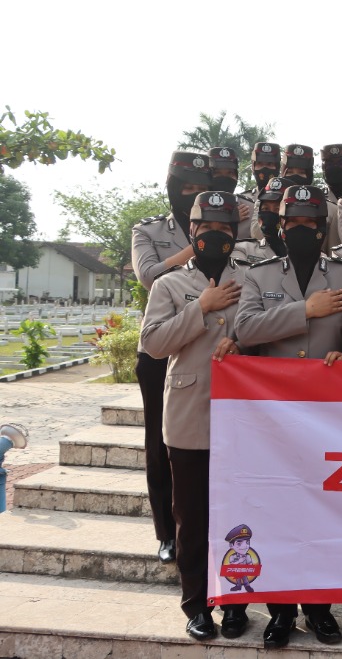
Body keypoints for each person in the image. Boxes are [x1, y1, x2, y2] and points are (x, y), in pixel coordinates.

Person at [234, 184, 342, 649]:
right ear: (280, 227)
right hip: (274, 418)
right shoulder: (260, 274)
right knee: (279, 513)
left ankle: (321, 610)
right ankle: (281, 611)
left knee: (325, 513)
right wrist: (303, 310)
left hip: (329, 417)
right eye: (294, 223)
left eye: (311, 223)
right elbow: (244, 330)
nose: (302, 230)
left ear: (323, 227)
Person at [138, 191, 248, 641]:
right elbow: (153, 344)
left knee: (239, 517)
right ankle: (196, 603)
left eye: (225, 229)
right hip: (188, 416)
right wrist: (199, 307)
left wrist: (242, 345)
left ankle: (236, 602)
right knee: (192, 517)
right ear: (194, 232)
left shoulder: (252, 280)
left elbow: (261, 332)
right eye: (207, 229)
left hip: (242, 418)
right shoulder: (169, 285)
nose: (215, 236)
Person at [130, 150, 211, 565]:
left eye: (200, 188)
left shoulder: (225, 222)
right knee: (160, 444)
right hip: (159, 350)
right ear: (171, 187)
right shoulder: (147, 230)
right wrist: (198, 247)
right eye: (185, 188)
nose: (191, 194)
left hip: (202, 347)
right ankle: (166, 532)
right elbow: (148, 275)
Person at [234, 176, 288, 264]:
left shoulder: (303, 252)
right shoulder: (244, 249)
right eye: (265, 209)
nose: (270, 214)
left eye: (277, 209)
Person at [207, 147, 255, 234]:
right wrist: (229, 220)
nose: (224, 178)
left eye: (230, 173)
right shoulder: (195, 208)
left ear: (236, 177)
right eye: (217, 173)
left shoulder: (249, 209)